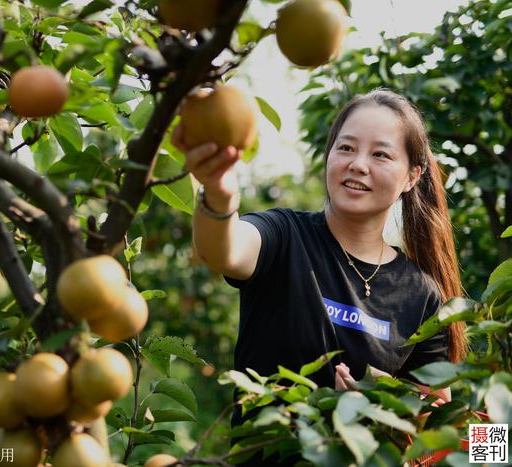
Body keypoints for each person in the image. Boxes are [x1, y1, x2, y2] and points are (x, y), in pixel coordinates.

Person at [173, 88, 467, 463]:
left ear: (412, 176)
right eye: (346, 148)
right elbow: (223, 249)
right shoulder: (285, 236)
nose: (358, 164)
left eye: (380, 154)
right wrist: (217, 191)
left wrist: (375, 416)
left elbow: (442, 433)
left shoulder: (420, 294)